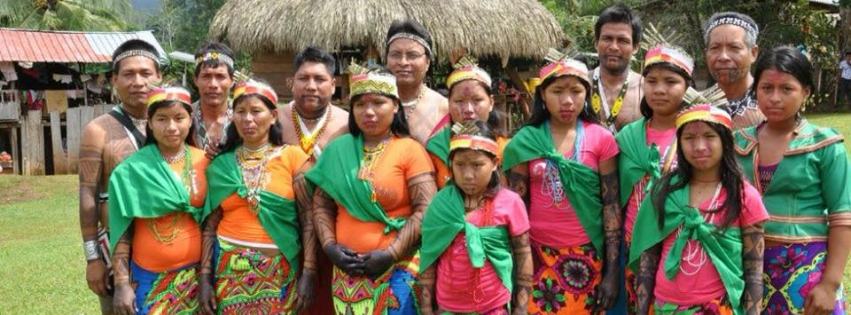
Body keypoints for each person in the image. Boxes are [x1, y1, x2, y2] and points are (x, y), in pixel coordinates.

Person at [306, 65, 437, 314]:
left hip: (397, 268)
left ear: (395, 106)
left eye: (378, 103)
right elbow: (322, 204)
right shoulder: (338, 149)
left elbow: (426, 208)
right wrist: (331, 248)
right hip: (346, 274)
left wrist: (391, 254)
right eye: (360, 105)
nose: (368, 112)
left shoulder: (410, 150)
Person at [734, 46, 851, 315]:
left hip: (807, 271)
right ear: (756, 90)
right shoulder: (737, 143)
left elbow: (843, 218)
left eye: (787, 89)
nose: (775, 98)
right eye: (766, 88)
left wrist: (829, 285)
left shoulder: (825, 146)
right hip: (745, 267)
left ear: (806, 92)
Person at [503, 52, 621, 314]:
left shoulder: (601, 139)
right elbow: (517, 208)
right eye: (557, 91)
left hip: (587, 255)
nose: (567, 100)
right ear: (542, 95)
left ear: (587, 94)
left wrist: (612, 272)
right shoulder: (526, 141)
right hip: (536, 255)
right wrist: (518, 265)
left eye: (576, 91)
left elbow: (611, 206)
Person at [629, 100, 768, 315]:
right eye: (689, 138)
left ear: (725, 141)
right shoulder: (664, 191)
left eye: (709, 136)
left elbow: (754, 271)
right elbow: (648, 263)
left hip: (717, 307)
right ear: (679, 143)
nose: (700, 146)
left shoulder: (743, 196)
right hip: (664, 307)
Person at [198, 80, 316, 314]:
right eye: (240, 112)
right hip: (228, 271)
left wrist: (310, 271)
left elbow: (309, 219)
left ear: (273, 116)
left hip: (279, 271)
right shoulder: (221, 165)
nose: (247, 119)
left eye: (256, 111)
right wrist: (204, 278)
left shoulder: (294, 158)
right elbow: (210, 227)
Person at [79, 38, 162, 314]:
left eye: (145, 73)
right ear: (114, 80)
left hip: (168, 249)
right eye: (128, 74)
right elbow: (88, 195)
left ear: (159, 76)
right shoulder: (98, 130)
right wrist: (93, 258)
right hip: (115, 252)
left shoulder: (175, 124)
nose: (138, 82)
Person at [108, 87, 209, 315]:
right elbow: (122, 230)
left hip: (199, 278)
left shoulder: (206, 163)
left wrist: (208, 275)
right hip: (148, 278)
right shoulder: (132, 170)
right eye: (162, 119)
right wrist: (122, 283)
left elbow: (212, 224)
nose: (171, 127)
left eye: (179, 118)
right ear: (150, 123)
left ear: (190, 120)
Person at [419, 121, 533, 314]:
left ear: (495, 163)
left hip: (493, 306)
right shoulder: (441, 204)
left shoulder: (510, 202)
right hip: (447, 308)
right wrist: (426, 309)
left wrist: (521, 309)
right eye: (459, 165)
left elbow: (523, 254)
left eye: (477, 165)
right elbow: (429, 257)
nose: (468, 175)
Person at [616, 35, 695, 314]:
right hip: (634, 241)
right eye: (651, 81)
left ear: (687, 87)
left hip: (679, 243)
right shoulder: (628, 137)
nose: (659, 89)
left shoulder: (698, 136)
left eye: (671, 82)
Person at [426, 56, 509, 188]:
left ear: (491, 103)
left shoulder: (507, 148)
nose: (468, 110)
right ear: (449, 104)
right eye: (459, 101)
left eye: (477, 100)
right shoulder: (436, 147)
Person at [278, 46, 349, 160]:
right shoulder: (275, 120)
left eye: (319, 79)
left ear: (333, 86)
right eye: (303, 78)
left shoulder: (347, 124)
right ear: (292, 83)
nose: (311, 86)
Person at [385, 19, 449, 144]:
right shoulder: (371, 105)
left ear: (427, 62)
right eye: (395, 54)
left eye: (412, 55)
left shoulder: (444, 109)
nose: (403, 62)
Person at [703, 12, 765, 130]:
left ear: (753, 53)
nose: (723, 57)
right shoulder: (695, 105)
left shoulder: (770, 104)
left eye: (734, 48)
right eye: (715, 48)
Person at [591, 4, 644, 132]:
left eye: (622, 40)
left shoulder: (647, 91)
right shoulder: (579, 85)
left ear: (635, 47)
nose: (614, 47)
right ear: (596, 43)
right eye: (607, 39)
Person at [192, 42, 235, 156]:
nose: (213, 84)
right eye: (206, 76)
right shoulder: (184, 117)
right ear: (196, 80)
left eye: (220, 76)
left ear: (232, 81)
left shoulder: (244, 118)